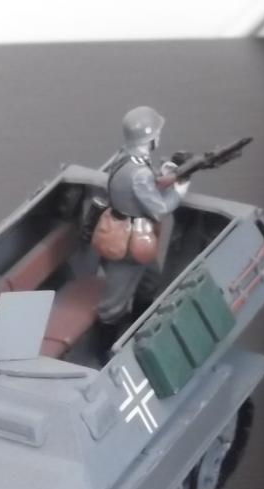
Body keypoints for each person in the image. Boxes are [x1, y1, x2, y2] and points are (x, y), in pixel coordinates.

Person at [92, 106, 189, 327]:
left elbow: (136, 185)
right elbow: (160, 209)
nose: (159, 137)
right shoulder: (140, 173)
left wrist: (162, 175)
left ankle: (137, 325)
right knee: (112, 306)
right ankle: (108, 342)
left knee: (150, 282)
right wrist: (179, 191)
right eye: (157, 133)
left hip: (131, 233)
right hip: (129, 243)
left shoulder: (124, 156)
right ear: (150, 137)